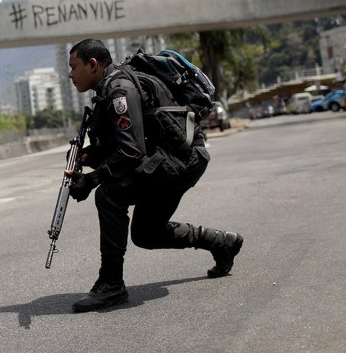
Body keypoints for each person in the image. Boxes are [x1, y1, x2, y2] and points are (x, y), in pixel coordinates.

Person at [64, 38, 243, 312]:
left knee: (109, 195)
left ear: (93, 64)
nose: (70, 74)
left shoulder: (119, 89)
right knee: (147, 234)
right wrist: (90, 156)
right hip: (173, 157)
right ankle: (222, 243)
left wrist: (91, 180)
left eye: (74, 66)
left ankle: (111, 285)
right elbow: (131, 141)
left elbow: (131, 151)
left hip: (182, 158)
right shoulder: (109, 89)